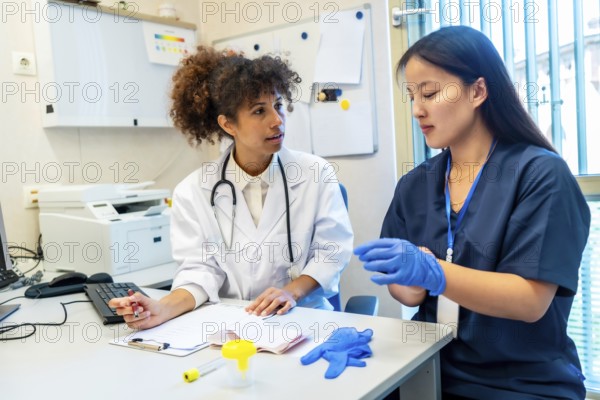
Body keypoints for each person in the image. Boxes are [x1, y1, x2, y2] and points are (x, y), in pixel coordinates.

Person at [354, 26, 590, 399]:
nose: (417, 109)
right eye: (412, 95)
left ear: (478, 90)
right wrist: (411, 282)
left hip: (519, 383)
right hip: (426, 364)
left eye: (429, 92)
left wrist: (434, 271)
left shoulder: (540, 174)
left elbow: (530, 300)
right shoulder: (415, 185)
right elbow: (408, 293)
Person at [109, 46, 353, 330]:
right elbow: (199, 272)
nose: (277, 120)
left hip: (304, 321)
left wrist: (292, 291)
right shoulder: (193, 191)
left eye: (277, 105)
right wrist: (161, 309)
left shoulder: (316, 174)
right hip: (230, 328)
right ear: (228, 125)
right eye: (259, 111)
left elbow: (331, 253)